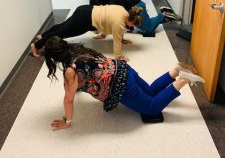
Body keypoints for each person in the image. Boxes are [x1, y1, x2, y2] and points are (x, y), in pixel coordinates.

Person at [44, 36, 205, 130]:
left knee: (152, 108)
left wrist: (67, 122)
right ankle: (175, 71)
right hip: (124, 69)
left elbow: (68, 99)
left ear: (53, 58)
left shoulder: (70, 71)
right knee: (149, 91)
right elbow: (87, 72)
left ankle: (183, 79)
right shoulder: (78, 49)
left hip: (121, 86)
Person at [31, 4, 143, 61]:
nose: (131, 27)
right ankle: (36, 46)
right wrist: (118, 56)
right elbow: (116, 39)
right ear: (131, 20)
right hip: (85, 20)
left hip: (85, 9)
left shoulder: (122, 10)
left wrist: (119, 38)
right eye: (133, 25)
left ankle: (42, 36)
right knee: (61, 33)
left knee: (62, 26)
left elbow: (108, 19)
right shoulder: (120, 23)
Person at [90, 0, 182, 35]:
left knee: (147, 29)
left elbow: (123, 16)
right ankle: (165, 15)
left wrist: (130, 26)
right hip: (135, 5)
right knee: (145, 25)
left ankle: (163, 15)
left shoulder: (112, 3)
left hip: (137, 7)